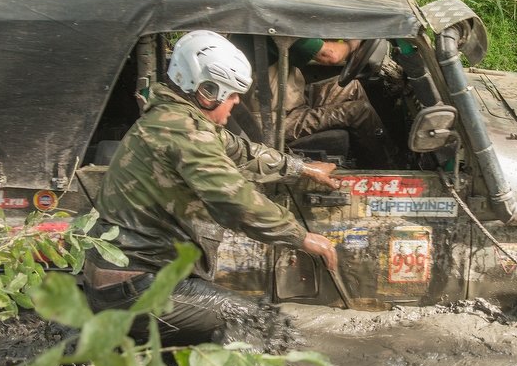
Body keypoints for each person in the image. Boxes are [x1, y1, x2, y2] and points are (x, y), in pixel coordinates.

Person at [86, 31, 341, 345]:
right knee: (267, 327)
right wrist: (302, 237)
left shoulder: (174, 117)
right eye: (231, 94)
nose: (236, 102)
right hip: (137, 287)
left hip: (131, 280)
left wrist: (304, 169)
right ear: (207, 90)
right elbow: (236, 201)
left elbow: (244, 153)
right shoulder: (185, 133)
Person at [243, 37, 396, 168]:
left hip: (286, 98)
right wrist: (353, 42)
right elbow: (331, 55)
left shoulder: (275, 19)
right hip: (272, 119)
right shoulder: (275, 22)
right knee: (360, 111)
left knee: (352, 87)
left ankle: (370, 154)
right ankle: (388, 168)